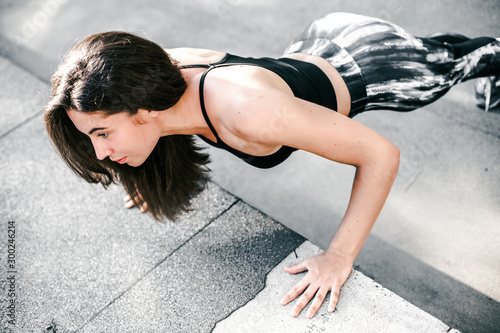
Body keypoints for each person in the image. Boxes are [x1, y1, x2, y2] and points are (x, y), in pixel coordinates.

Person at [44, 12, 499, 320]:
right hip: (319, 47)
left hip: (378, 62)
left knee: (464, 59)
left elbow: (380, 154)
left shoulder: (247, 111)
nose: (100, 152)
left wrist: (338, 256)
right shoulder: (158, 79)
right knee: (453, 55)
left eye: (102, 134)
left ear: (142, 110)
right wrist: (143, 173)